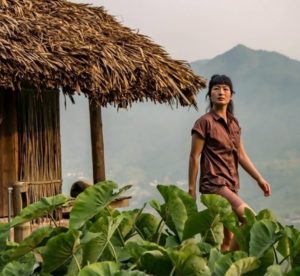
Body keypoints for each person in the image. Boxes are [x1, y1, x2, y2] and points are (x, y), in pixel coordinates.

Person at [188, 74, 271, 251]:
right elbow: (194, 156)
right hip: (215, 184)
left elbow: (241, 154)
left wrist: (259, 179)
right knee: (251, 221)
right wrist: (191, 189)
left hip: (231, 183)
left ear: (231, 95)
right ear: (209, 94)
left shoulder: (233, 123)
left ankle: (224, 259)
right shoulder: (204, 123)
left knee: (228, 238)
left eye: (225, 89)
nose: (221, 92)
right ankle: (228, 263)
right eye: (216, 88)